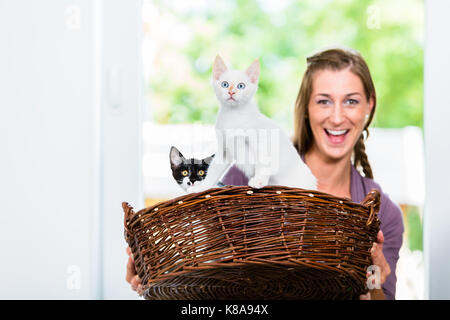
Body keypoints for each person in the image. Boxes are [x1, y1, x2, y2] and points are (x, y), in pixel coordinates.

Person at [126, 48, 404, 300]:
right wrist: (152, 277)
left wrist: (372, 278)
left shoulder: (381, 215)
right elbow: (204, 280)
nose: (337, 117)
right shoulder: (239, 180)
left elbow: (379, 296)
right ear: (305, 107)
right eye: (324, 102)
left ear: (369, 105)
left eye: (351, 101)